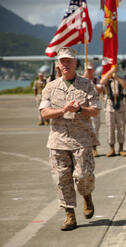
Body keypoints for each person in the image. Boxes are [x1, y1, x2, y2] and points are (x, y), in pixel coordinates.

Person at [39, 47, 101, 231]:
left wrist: (80, 110)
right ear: (58, 64)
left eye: (69, 61)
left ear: (76, 63)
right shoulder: (50, 87)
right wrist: (63, 110)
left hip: (81, 140)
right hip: (58, 140)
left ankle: (86, 195)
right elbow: (44, 113)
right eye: (62, 61)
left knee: (83, 176)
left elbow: (96, 110)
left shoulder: (87, 85)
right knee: (61, 179)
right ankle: (69, 215)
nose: (66, 64)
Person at [100, 66, 126, 157]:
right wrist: (110, 72)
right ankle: (112, 148)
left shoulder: (121, 80)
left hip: (120, 107)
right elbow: (101, 82)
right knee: (110, 128)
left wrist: (116, 77)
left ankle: (121, 148)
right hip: (110, 107)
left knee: (121, 128)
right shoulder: (107, 80)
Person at [83, 62, 101, 157]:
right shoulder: (80, 80)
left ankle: (94, 148)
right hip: (83, 108)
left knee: (95, 129)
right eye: (87, 70)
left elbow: (100, 90)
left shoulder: (96, 80)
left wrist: (91, 83)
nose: (89, 71)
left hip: (93, 107)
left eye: (90, 70)